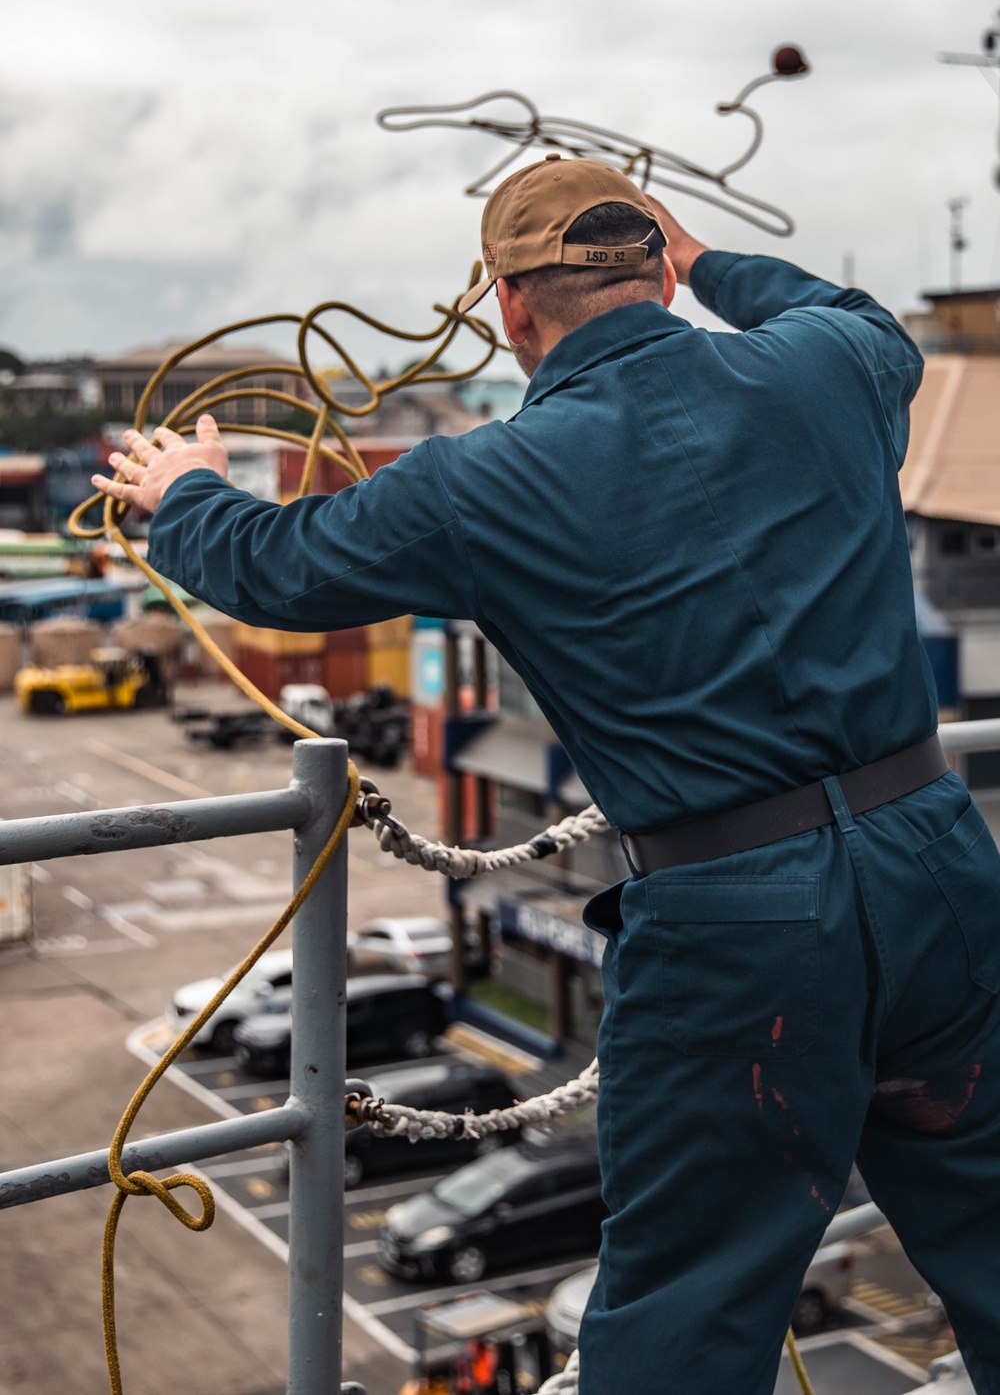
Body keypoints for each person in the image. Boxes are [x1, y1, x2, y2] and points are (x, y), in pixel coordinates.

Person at [93, 156, 1000, 1395]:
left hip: (739, 930)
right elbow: (861, 320)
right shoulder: (826, 369)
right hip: (938, 864)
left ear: (507, 307)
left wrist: (181, 492)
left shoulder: (485, 482)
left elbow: (277, 571)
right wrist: (711, 258)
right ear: (658, 270)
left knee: (685, 1312)